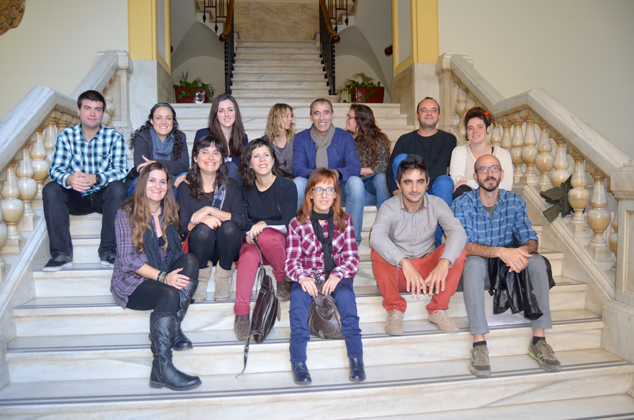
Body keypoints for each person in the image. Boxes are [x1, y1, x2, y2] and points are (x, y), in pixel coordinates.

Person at [452, 154, 561, 378]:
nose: (489, 174)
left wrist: (519, 253)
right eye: (483, 169)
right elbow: (465, 246)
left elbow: (531, 241)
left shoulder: (515, 201)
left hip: (507, 268)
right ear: (475, 176)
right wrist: (502, 252)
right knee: (473, 263)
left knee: (537, 262)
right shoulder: (462, 203)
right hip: (479, 267)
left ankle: (539, 340)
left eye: (494, 168)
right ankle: (479, 344)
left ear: (502, 174)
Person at [110, 162, 201, 391]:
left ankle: (174, 326)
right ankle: (161, 367)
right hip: (133, 282)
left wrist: (167, 274)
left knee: (190, 261)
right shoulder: (125, 213)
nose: (157, 186)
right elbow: (129, 261)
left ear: (168, 186)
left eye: (162, 181)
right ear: (142, 183)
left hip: (161, 272)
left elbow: (174, 254)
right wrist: (163, 277)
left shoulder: (170, 211)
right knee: (169, 293)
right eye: (152, 180)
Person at [370, 155, 467, 335]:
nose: (414, 189)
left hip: (430, 275)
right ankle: (395, 310)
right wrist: (404, 261)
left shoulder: (436, 204)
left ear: (427, 183)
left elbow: (458, 232)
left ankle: (438, 310)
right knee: (378, 252)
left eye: (419, 182)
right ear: (398, 184)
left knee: (458, 250)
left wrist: (444, 262)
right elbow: (376, 236)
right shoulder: (389, 207)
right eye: (408, 182)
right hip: (399, 273)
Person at [285, 168, 365, 385]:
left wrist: (337, 275)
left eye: (330, 190)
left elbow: (352, 258)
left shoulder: (345, 221)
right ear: (310, 194)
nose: (324, 195)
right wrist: (303, 278)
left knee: (346, 297)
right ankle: (298, 361)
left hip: (336, 275)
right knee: (297, 300)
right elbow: (291, 262)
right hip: (307, 275)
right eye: (318, 189)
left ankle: (356, 358)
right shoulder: (297, 223)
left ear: (336, 195)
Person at [43, 90, 127, 271]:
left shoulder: (114, 137)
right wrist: (69, 179)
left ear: (103, 113)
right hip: (75, 197)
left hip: (103, 198)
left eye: (98, 109)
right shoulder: (66, 136)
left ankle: (109, 252)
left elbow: (121, 171)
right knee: (51, 189)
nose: (92, 113)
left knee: (118, 188)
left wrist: (96, 178)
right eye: (87, 108)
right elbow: (55, 169)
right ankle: (61, 254)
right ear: (79, 110)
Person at [233, 138, 298, 341]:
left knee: (267, 235)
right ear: (249, 163)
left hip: (278, 245)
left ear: (273, 160)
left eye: (266, 155)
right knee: (247, 257)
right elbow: (241, 221)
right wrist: (247, 234)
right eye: (256, 156)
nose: (262, 160)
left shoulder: (287, 186)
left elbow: (288, 222)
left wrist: (263, 224)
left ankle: (282, 280)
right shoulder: (244, 189)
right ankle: (242, 313)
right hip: (253, 242)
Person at [177, 135, 247, 302]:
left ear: (221, 159)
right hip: (199, 250)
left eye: (216, 153)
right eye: (205, 152)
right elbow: (182, 228)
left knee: (230, 227)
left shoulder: (230, 185)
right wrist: (199, 220)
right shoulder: (184, 187)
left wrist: (209, 210)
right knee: (202, 230)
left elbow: (242, 221)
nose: (210, 157)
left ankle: (223, 277)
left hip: (226, 250)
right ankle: (201, 279)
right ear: (195, 158)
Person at [385, 97, 456, 246]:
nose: (429, 113)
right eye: (424, 110)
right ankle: (404, 233)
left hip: (433, 190)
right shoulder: (405, 139)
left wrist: (420, 190)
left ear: (439, 116)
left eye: (433, 110)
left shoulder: (448, 139)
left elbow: (439, 169)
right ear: (417, 116)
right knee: (401, 158)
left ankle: (435, 242)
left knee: (445, 181)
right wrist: (395, 190)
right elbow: (391, 169)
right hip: (408, 191)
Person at [292, 98, 364, 244]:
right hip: (312, 189)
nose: (322, 118)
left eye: (326, 113)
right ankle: (299, 236)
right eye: (316, 113)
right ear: (311, 117)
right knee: (298, 183)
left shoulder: (345, 137)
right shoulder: (301, 138)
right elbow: (297, 168)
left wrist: (336, 173)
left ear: (332, 115)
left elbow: (354, 167)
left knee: (356, 183)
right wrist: (320, 176)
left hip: (337, 188)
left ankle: (352, 240)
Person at [125, 103, 189, 196]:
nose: (163, 122)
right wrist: (173, 180)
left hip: (172, 177)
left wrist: (155, 162)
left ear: (173, 121)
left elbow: (183, 164)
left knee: (184, 179)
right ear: (151, 120)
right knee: (147, 182)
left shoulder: (180, 136)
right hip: (144, 178)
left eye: (168, 118)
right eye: (158, 118)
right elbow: (142, 167)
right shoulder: (142, 136)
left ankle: (172, 206)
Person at [449, 106, 513, 199]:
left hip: (495, 202)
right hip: (468, 202)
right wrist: (487, 183)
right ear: (467, 131)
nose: (475, 131)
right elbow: (458, 183)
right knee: (462, 190)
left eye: (479, 127)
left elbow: (506, 186)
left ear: (487, 129)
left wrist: (469, 182)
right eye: (470, 128)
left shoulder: (503, 154)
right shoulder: (459, 152)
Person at [345, 104, 391, 210]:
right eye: (347, 116)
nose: (346, 119)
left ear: (361, 120)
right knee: (355, 186)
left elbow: (381, 167)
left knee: (381, 178)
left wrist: (355, 170)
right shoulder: (344, 139)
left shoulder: (379, 139)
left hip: (371, 182)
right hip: (352, 183)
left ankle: (385, 215)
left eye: (349, 117)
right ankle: (375, 199)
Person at [193, 94, 248, 182]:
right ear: (215, 114)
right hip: (209, 181)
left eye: (230, 110)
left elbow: (243, 168)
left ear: (236, 113)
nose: (227, 114)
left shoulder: (242, 138)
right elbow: (196, 165)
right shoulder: (203, 134)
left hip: (235, 185)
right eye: (221, 111)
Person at [262, 103, 295, 178]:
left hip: (293, 180)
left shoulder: (296, 139)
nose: (290, 119)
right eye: (286, 116)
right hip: (272, 179)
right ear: (276, 118)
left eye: (291, 116)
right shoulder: (265, 141)